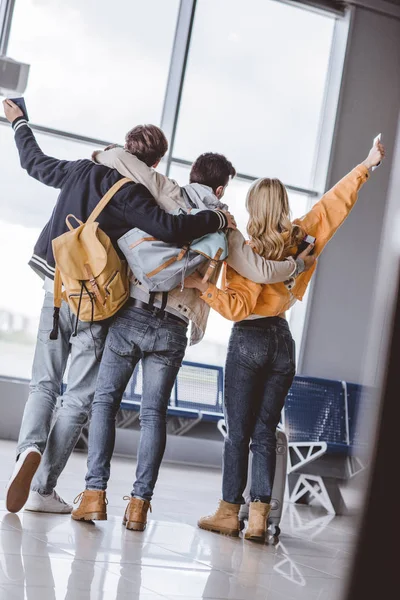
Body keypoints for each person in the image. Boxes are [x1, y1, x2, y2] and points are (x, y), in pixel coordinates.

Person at [3, 99, 234, 515]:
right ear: (155, 161)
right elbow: (174, 229)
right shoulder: (133, 195)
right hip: (97, 303)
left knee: (43, 383)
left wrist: (19, 122)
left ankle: (27, 449)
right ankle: (42, 489)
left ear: (124, 146)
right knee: (76, 398)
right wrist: (216, 221)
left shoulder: (80, 169)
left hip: (57, 289)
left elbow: (33, 163)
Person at [72, 147, 315, 530]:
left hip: (134, 309)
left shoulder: (165, 193)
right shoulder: (223, 224)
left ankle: (93, 495)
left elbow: (130, 164)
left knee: (105, 402)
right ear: (220, 187)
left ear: (191, 174)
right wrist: (297, 264)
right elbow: (259, 268)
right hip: (174, 325)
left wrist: (102, 153)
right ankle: (138, 506)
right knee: (154, 414)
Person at [184, 138, 385, 543]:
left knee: (238, 432)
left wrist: (202, 288)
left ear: (254, 208)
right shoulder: (300, 238)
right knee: (265, 431)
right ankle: (258, 519)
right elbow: (333, 205)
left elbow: (239, 308)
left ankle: (228, 512)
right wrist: (366, 165)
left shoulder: (247, 250)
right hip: (282, 341)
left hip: (249, 340)